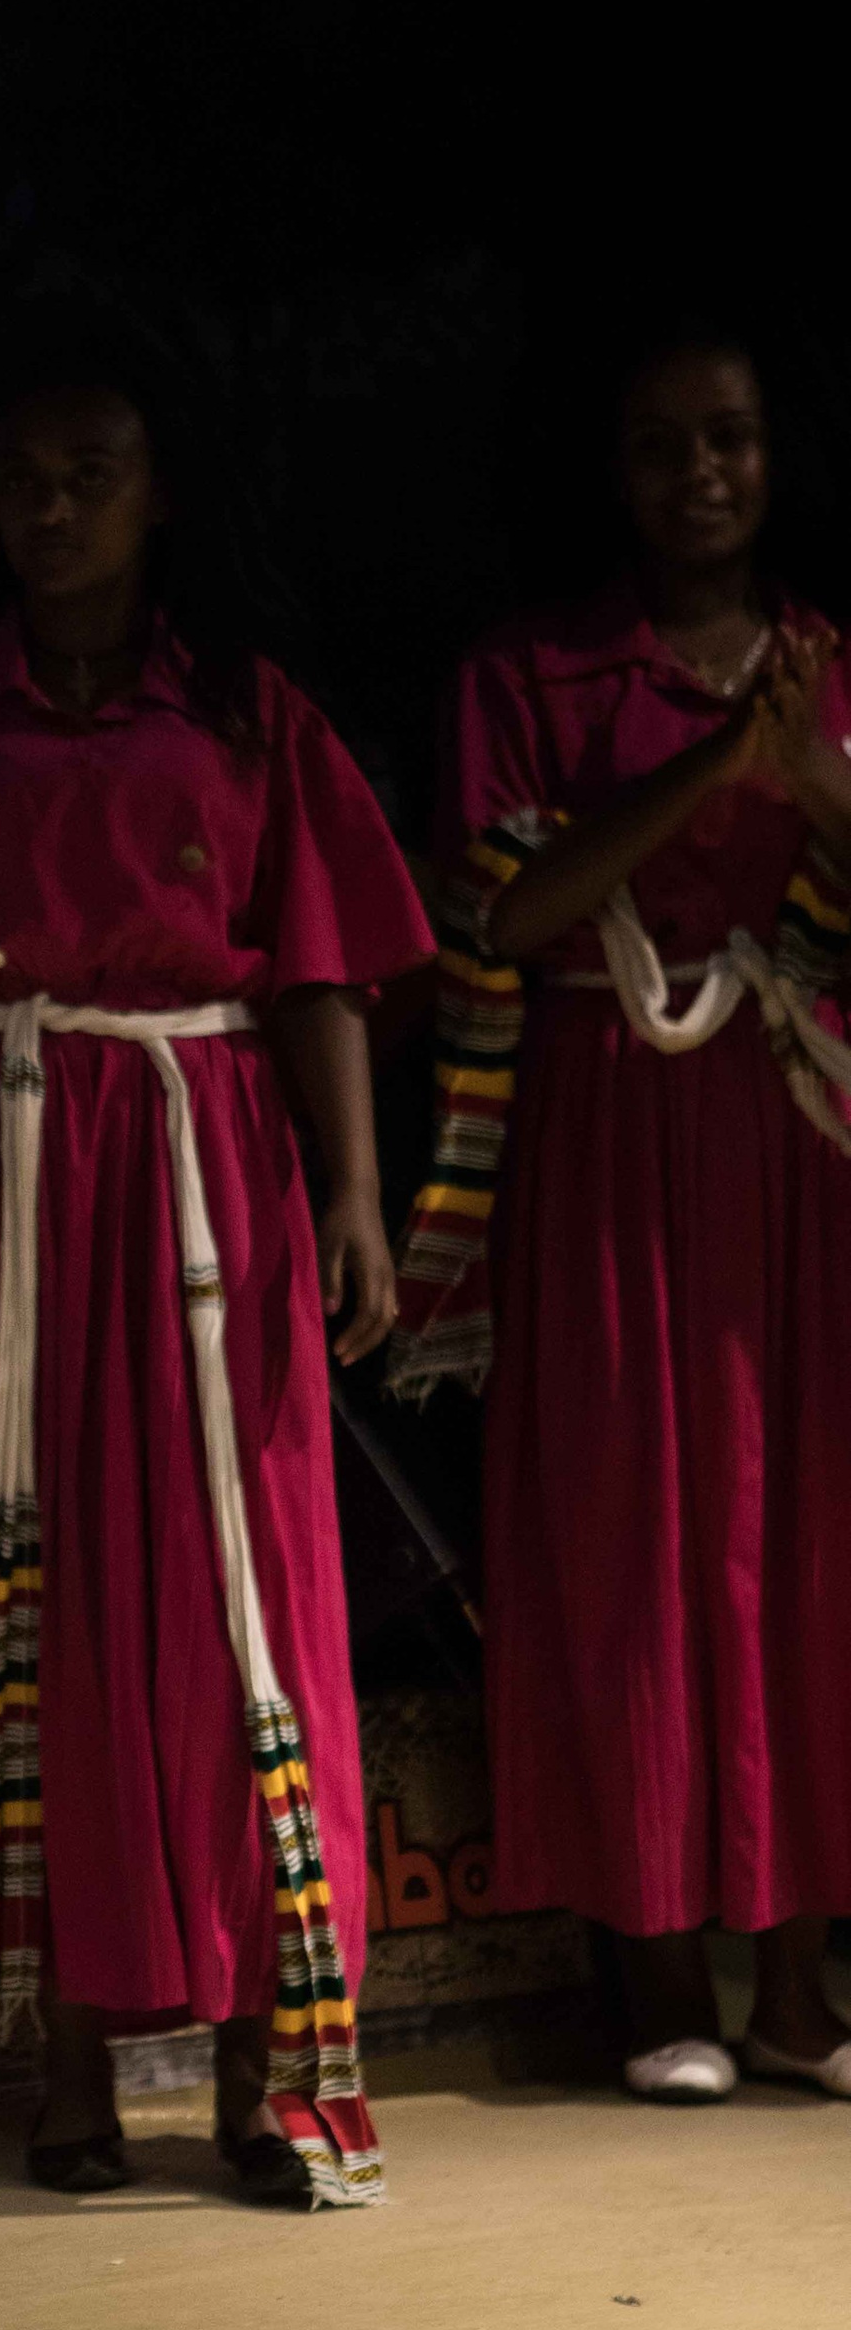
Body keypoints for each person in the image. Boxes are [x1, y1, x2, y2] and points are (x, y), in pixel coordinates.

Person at [0, 307, 429, 2206]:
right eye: (26, 479)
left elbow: (317, 968)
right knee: (34, 1593)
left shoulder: (243, 707)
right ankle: (66, 2068)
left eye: (94, 475)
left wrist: (355, 1195)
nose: (55, 508)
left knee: (230, 1594)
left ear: (161, 496)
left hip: (201, 1169)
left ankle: (259, 2077)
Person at [390, 314, 851, 2104]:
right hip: (601, 1129)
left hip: (790, 1131)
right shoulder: (534, 672)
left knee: (801, 1537)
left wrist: (808, 773)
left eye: (728, 436)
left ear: (776, 452)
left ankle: (799, 1991)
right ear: (613, 470)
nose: (701, 474)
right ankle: (661, 1982)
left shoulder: (829, 665)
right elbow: (505, 916)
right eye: (662, 443)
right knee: (630, 1529)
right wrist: (713, 769)